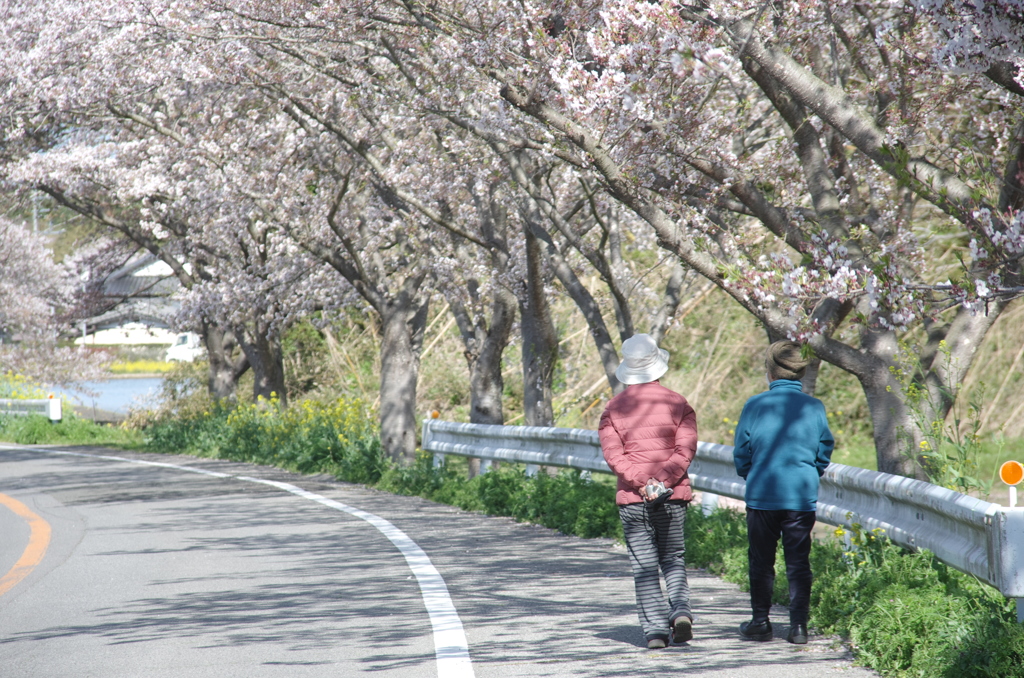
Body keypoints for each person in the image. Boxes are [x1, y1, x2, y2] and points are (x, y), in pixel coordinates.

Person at [598, 333, 698, 650]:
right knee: (673, 559)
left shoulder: (612, 410)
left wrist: (643, 483)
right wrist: (662, 482)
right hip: (672, 496)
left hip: (633, 498)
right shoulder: (679, 404)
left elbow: (614, 457)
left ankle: (655, 632)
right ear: (657, 366)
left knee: (644, 566)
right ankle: (680, 610)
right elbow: (685, 451)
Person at [732, 340, 834, 644]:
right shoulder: (814, 407)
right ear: (800, 374)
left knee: (761, 560)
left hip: (762, 494)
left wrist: (753, 474)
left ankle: (761, 623)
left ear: (770, 371)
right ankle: (798, 627)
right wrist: (809, 472)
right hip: (800, 496)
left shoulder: (755, 405)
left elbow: (742, 451)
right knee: (798, 561)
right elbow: (824, 448)